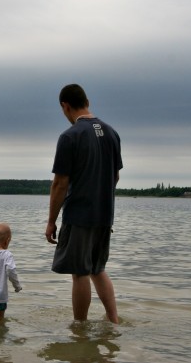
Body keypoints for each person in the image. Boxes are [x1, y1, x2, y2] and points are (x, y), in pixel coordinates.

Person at [45, 83, 122, 323]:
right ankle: (113, 320)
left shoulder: (70, 136)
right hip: (104, 214)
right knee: (98, 269)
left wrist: (51, 221)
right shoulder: (111, 132)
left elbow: (60, 183)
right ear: (87, 101)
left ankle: (80, 327)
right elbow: (115, 176)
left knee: (80, 274)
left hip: (79, 215)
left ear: (65, 106)